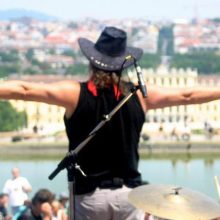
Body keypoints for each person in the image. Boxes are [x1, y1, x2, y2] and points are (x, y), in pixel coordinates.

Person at [1, 26, 220, 219]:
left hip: (89, 198)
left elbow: (25, 90)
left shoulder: (75, 94)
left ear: (92, 60)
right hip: (130, 197)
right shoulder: (141, 97)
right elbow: (187, 96)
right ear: (123, 64)